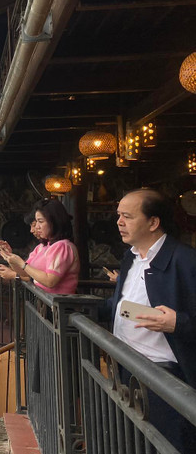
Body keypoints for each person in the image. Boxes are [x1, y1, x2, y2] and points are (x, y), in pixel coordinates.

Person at [103, 189, 196, 452]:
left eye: (127, 216)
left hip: (164, 379)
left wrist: (178, 323)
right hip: (126, 370)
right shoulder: (131, 257)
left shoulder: (185, 261)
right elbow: (124, 307)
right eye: (118, 215)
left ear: (153, 222)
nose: (119, 222)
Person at [0, 198, 79, 294]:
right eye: (36, 222)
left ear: (54, 222)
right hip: (42, 303)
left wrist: (21, 263)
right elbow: (24, 272)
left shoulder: (63, 246)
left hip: (57, 306)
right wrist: (9, 257)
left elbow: (50, 281)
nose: (36, 227)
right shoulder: (42, 247)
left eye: (40, 221)